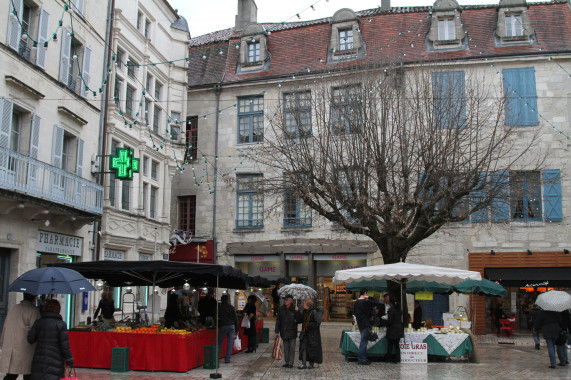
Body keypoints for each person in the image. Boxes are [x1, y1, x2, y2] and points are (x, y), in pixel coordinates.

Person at [27, 299, 73, 380]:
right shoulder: (61, 324)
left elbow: (30, 339)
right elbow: (64, 345)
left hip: (39, 360)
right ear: (58, 309)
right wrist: (69, 359)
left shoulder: (38, 322)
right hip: (56, 360)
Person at [0, 293, 41, 380]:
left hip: (11, 346)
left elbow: (5, 326)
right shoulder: (33, 311)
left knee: (12, 373)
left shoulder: (14, 308)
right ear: (34, 298)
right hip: (25, 348)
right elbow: (36, 331)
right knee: (28, 373)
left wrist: (2, 342)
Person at [352, 288, 379, 365]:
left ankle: (362, 358)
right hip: (365, 323)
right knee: (364, 341)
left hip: (360, 323)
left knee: (364, 341)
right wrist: (368, 297)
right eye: (367, 294)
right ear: (365, 293)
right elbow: (376, 301)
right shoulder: (364, 302)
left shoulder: (356, 302)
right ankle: (362, 359)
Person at [275, 294, 300, 368]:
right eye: (284, 299)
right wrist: (277, 330)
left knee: (292, 348)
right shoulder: (281, 309)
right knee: (286, 348)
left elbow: (299, 320)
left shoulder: (294, 309)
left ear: (291, 301)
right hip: (284, 331)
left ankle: (291, 363)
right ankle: (286, 362)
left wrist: (297, 312)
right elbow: (278, 320)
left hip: (292, 331)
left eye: (286, 300)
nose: (285, 301)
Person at [297, 298, 323, 369]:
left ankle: (311, 363)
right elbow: (300, 320)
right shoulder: (304, 311)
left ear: (307, 304)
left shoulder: (313, 312)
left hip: (312, 334)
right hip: (304, 333)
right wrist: (297, 312)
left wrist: (309, 325)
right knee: (303, 348)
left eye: (304, 303)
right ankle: (303, 363)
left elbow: (318, 322)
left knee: (311, 349)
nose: (303, 304)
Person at [217, 294, 239, 364]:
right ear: (228, 300)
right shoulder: (231, 307)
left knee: (219, 343)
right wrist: (237, 328)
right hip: (232, 326)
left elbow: (217, 317)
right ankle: (227, 359)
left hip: (223, 326)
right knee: (230, 344)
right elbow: (236, 318)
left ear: (222, 300)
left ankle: (217, 358)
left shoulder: (220, 308)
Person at [385, 295, 404, 364]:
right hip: (398, 329)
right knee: (396, 345)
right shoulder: (399, 310)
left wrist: (385, 320)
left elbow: (390, 321)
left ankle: (388, 359)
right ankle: (398, 359)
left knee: (390, 345)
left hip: (392, 329)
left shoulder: (391, 310)